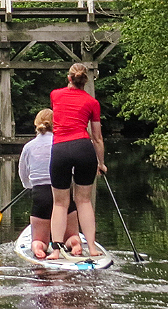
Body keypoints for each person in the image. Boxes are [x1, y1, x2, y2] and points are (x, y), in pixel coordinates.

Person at [47, 63, 105, 258]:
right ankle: (93, 248)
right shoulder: (92, 102)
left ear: (69, 78)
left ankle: (56, 250)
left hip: (61, 149)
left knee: (60, 204)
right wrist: (101, 163)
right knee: (84, 201)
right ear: (85, 81)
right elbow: (97, 137)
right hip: (84, 148)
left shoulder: (55, 95)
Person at [17, 109, 81, 259]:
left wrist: (30, 185)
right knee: (71, 236)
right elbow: (73, 170)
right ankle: (75, 243)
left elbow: (23, 174)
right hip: (63, 193)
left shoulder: (28, 147)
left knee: (39, 240)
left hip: (40, 195)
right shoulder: (63, 145)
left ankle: (38, 248)